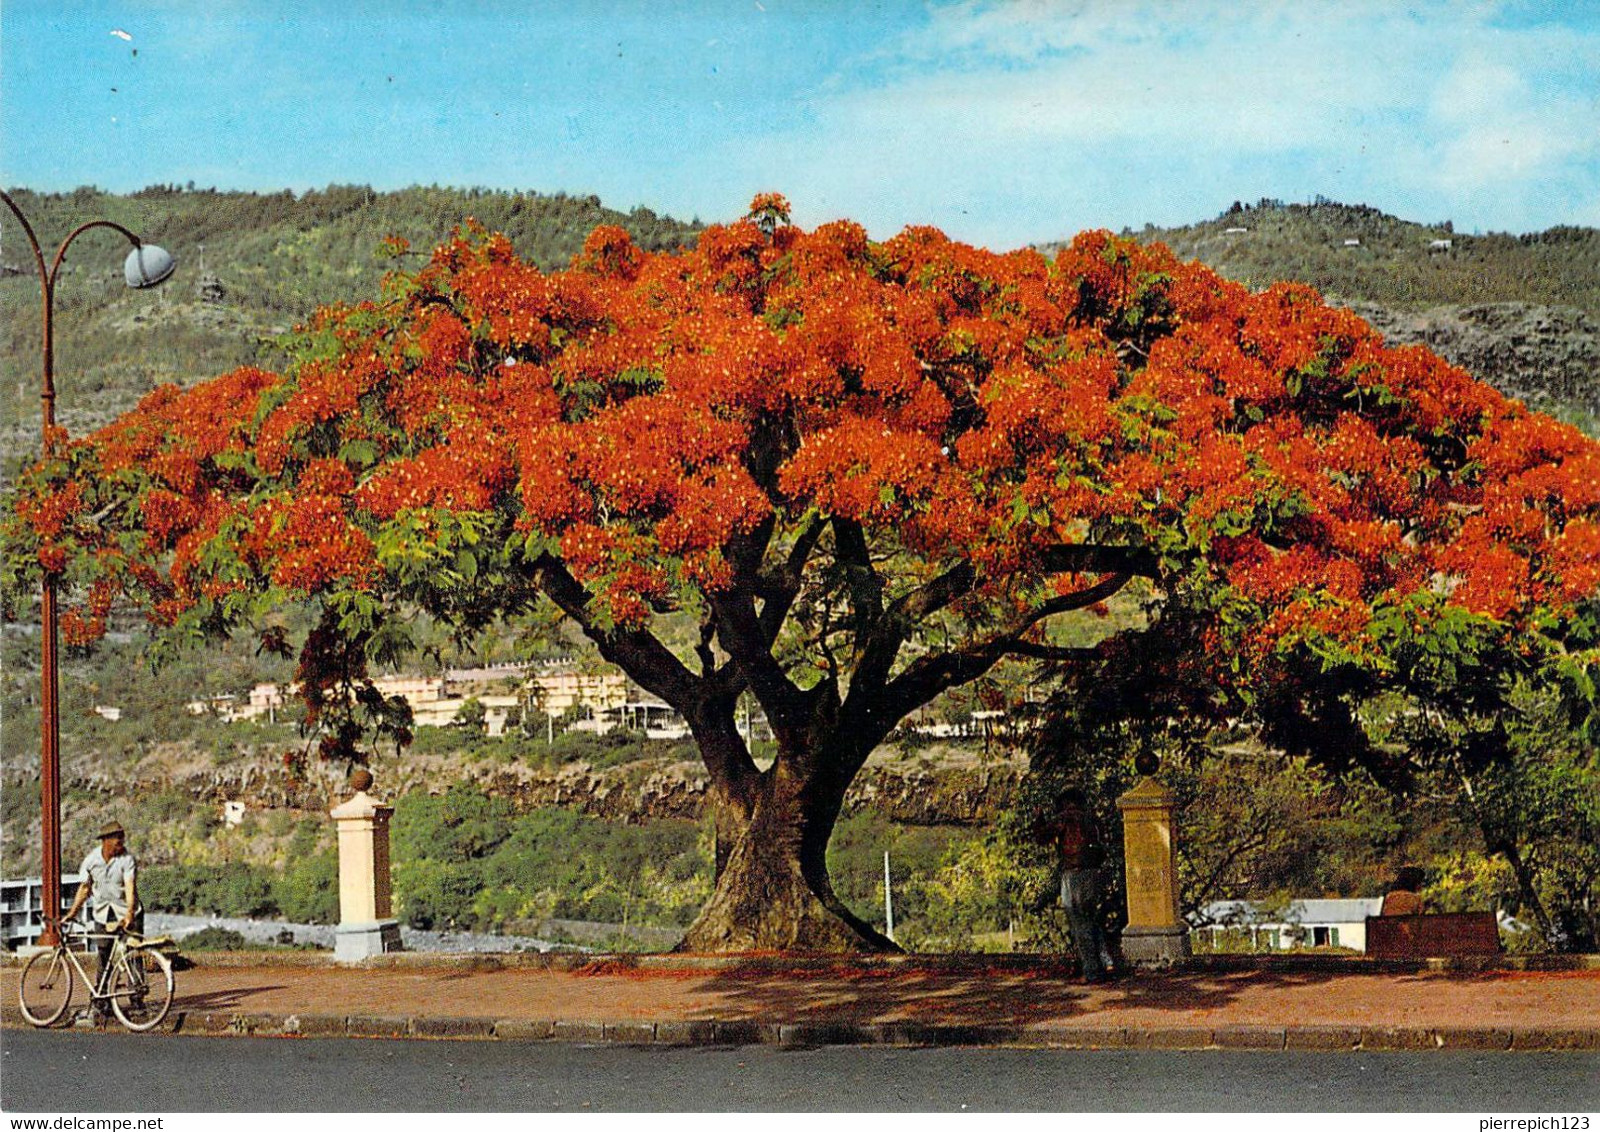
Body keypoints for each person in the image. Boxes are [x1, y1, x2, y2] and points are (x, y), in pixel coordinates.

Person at [62, 820, 143, 1020]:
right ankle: (102, 1000)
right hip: (103, 913)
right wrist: (72, 913)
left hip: (127, 910)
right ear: (105, 841)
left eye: (122, 837)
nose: (121, 842)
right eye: (117, 838)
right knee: (104, 954)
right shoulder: (91, 861)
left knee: (133, 953)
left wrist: (130, 913)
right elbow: (85, 889)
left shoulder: (127, 860)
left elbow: (130, 887)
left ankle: (137, 1000)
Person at [1052, 787, 1113, 983]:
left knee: (1080, 924)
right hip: (1093, 872)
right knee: (1091, 919)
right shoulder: (1093, 819)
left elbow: (1042, 835)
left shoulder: (1066, 818)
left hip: (1074, 873)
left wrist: (1038, 818)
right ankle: (1106, 960)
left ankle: (1092, 971)